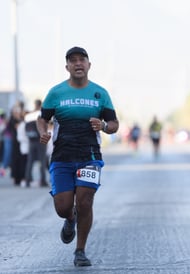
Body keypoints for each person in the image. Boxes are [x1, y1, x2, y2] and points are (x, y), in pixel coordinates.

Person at [36, 46, 119, 267]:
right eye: (73, 61)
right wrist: (43, 131)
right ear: (67, 67)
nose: (78, 63)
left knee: (85, 201)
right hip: (62, 157)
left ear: (89, 65)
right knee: (62, 207)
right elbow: (42, 118)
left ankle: (80, 251)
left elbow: (114, 124)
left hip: (89, 155)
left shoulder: (100, 93)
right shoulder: (56, 93)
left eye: (82, 59)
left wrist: (102, 124)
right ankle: (69, 218)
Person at [23, 99, 48, 187]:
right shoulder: (42, 113)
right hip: (41, 140)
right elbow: (46, 124)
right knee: (42, 161)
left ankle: (27, 180)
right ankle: (43, 181)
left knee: (30, 161)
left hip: (31, 141)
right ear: (40, 104)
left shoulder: (29, 115)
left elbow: (25, 127)